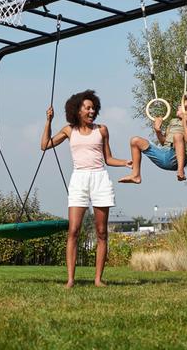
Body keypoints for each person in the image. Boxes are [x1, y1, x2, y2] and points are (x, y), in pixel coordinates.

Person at [40, 89, 131, 288]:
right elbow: (45, 145)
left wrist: (125, 162)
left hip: (100, 178)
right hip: (79, 179)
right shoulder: (68, 130)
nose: (92, 111)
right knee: (73, 230)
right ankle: (70, 279)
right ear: (77, 110)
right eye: (87, 108)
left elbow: (108, 159)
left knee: (101, 232)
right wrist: (49, 121)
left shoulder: (102, 130)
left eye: (93, 108)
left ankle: (98, 279)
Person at [119, 96, 187, 183]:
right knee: (135, 140)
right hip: (164, 154)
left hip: (176, 159)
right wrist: (157, 130)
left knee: (178, 136)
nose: (179, 106)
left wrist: (184, 122)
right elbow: (164, 143)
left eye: (184, 106)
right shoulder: (173, 122)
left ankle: (180, 171)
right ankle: (135, 175)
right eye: (181, 104)